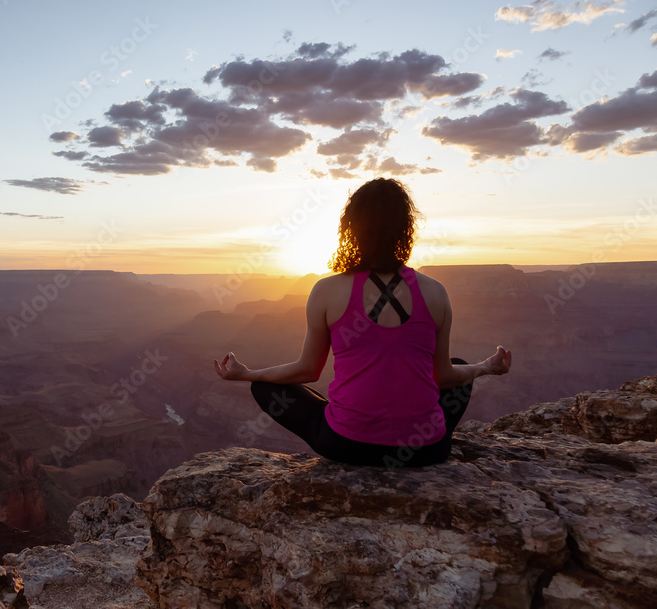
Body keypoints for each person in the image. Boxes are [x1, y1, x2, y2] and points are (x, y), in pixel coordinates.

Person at [213, 177, 511, 468]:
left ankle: (350, 426)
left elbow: (307, 371)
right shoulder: (436, 292)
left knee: (264, 387)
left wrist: (247, 373)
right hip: (426, 450)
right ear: (405, 229)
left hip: (347, 446)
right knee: (461, 368)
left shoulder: (326, 290)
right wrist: (485, 367)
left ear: (352, 228)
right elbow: (444, 376)